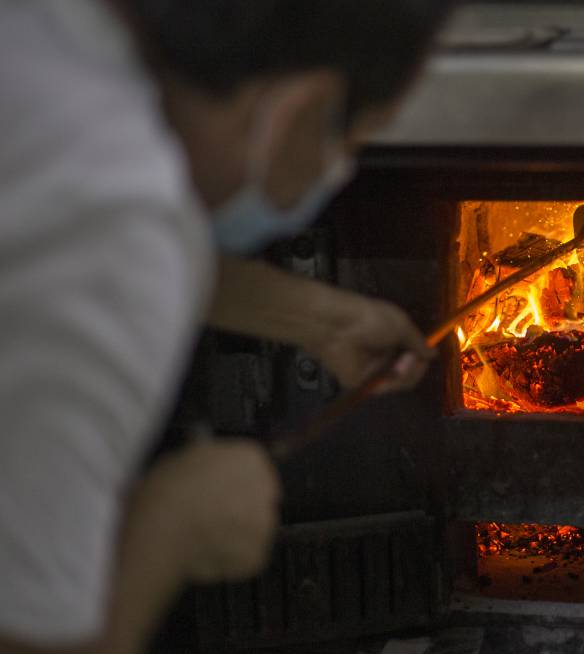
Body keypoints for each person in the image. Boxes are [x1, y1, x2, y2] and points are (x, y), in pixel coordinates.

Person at [0, 1, 453, 652]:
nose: (339, 172)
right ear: (304, 106)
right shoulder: (109, 230)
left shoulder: (47, 39)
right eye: (349, 145)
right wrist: (170, 530)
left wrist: (320, 320)